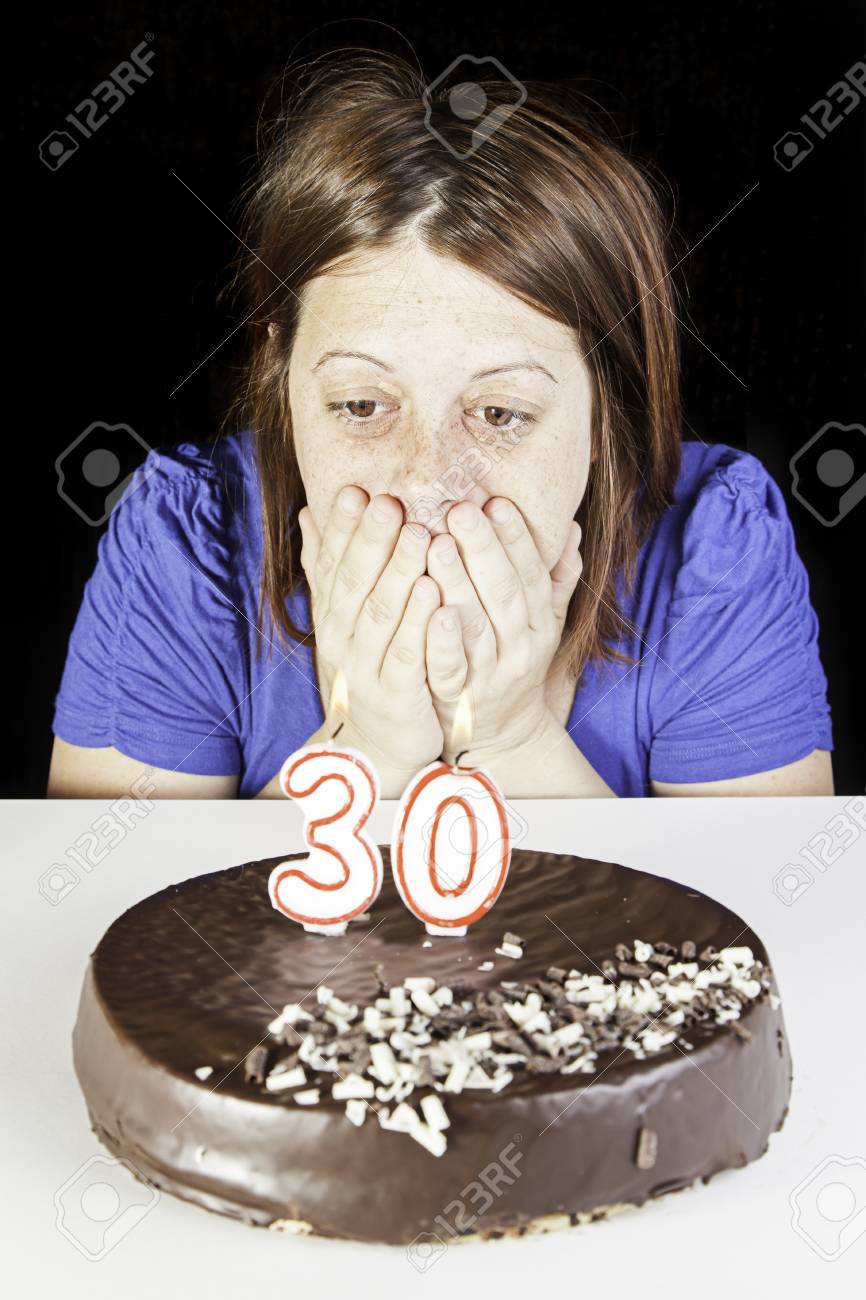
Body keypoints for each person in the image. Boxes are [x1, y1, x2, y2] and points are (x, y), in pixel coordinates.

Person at [48, 52, 833, 799]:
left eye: (500, 414)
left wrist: (510, 738)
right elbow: (122, 919)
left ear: (606, 409)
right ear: (281, 380)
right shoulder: (184, 545)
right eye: (361, 406)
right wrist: (372, 745)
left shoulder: (714, 553)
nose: (428, 479)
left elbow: (757, 924)